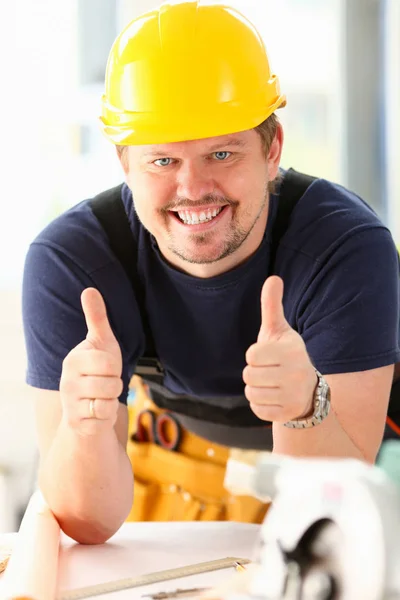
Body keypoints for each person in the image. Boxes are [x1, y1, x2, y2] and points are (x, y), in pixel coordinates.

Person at [22, 0, 400, 545]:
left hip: (335, 452)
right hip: (172, 443)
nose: (194, 188)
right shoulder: (72, 264)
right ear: (123, 163)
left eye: (222, 154)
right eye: (162, 160)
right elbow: (86, 525)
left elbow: (333, 510)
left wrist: (304, 409)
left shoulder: (345, 249)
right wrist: (85, 429)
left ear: (272, 150)